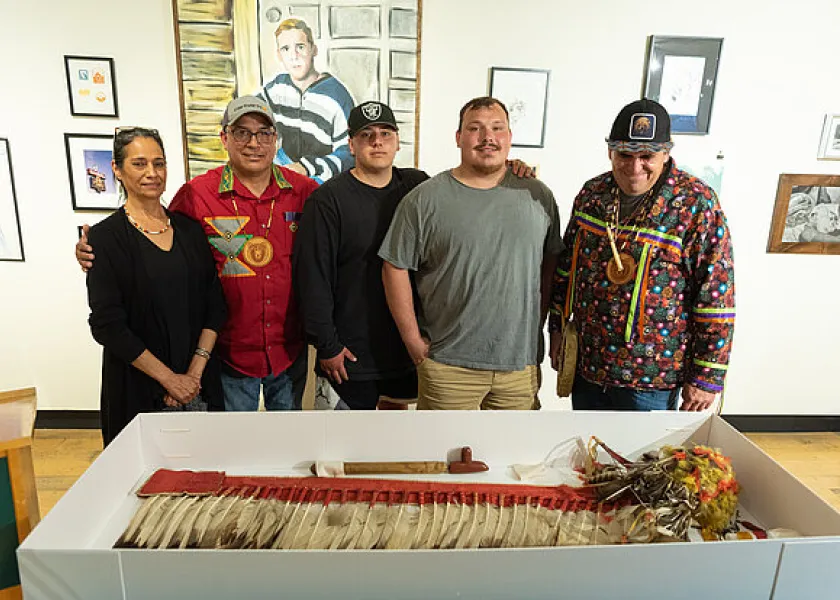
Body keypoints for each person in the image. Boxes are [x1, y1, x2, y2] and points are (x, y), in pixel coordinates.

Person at [78, 96, 319, 412]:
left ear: (275, 140)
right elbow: (158, 238)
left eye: (264, 133)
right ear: (225, 138)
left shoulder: (305, 193)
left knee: (288, 446)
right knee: (230, 449)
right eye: (242, 133)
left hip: (288, 349)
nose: (253, 143)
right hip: (226, 352)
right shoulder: (196, 195)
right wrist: (97, 249)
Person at [548, 98, 736, 412]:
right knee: (586, 456)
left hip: (652, 378)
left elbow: (716, 294)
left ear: (666, 153)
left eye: (647, 156)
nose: (635, 167)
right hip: (588, 367)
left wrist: (706, 375)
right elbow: (566, 269)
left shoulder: (696, 204)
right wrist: (557, 331)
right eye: (624, 154)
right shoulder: (592, 196)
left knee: (641, 461)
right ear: (610, 151)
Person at [379, 96, 564, 410]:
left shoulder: (537, 195)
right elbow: (394, 266)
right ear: (458, 137)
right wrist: (412, 339)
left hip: (519, 367)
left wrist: (537, 325)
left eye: (497, 128)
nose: (487, 137)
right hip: (447, 365)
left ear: (509, 137)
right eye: (475, 128)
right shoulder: (424, 200)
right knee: (440, 457)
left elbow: (550, 264)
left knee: (512, 456)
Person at [86, 128, 226, 445]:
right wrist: (169, 380)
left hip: (200, 385)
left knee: (206, 477)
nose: (152, 173)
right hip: (138, 389)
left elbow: (214, 306)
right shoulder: (104, 239)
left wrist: (192, 376)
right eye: (139, 164)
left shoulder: (190, 231)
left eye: (159, 163)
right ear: (117, 170)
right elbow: (107, 326)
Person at [258, 18, 355, 183]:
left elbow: (349, 153)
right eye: (286, 49)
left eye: (300, 47)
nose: (294, 56)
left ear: (314, 50)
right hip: (285, 166)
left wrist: (306, 168)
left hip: (321, 175)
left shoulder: (336, 96)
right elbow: (250, 113)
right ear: (279, 55)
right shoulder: (277, 87)